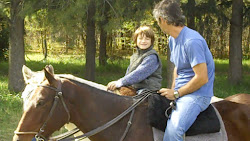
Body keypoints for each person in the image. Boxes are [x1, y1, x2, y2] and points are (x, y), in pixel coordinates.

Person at [153, 0, 215, 141]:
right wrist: (173, 90)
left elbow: (202, 78)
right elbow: (178, 68)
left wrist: (177, 93)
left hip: (198, 95)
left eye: (157, 21)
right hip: (181, 91)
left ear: (162, 20)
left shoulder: (192, 41)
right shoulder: (172, 39)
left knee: (174, 131)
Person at [107, 25, 162, 95]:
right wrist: (121, 83)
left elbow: (140, 73)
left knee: (136, 100)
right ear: (136, 40)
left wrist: (120, 82)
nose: (143, 41)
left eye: (147, 39)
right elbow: (129, 73)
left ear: (152, 41)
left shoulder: (152, 57)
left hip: (147, 90)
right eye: (140, 38)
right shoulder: (134, 56)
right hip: (134, 87)